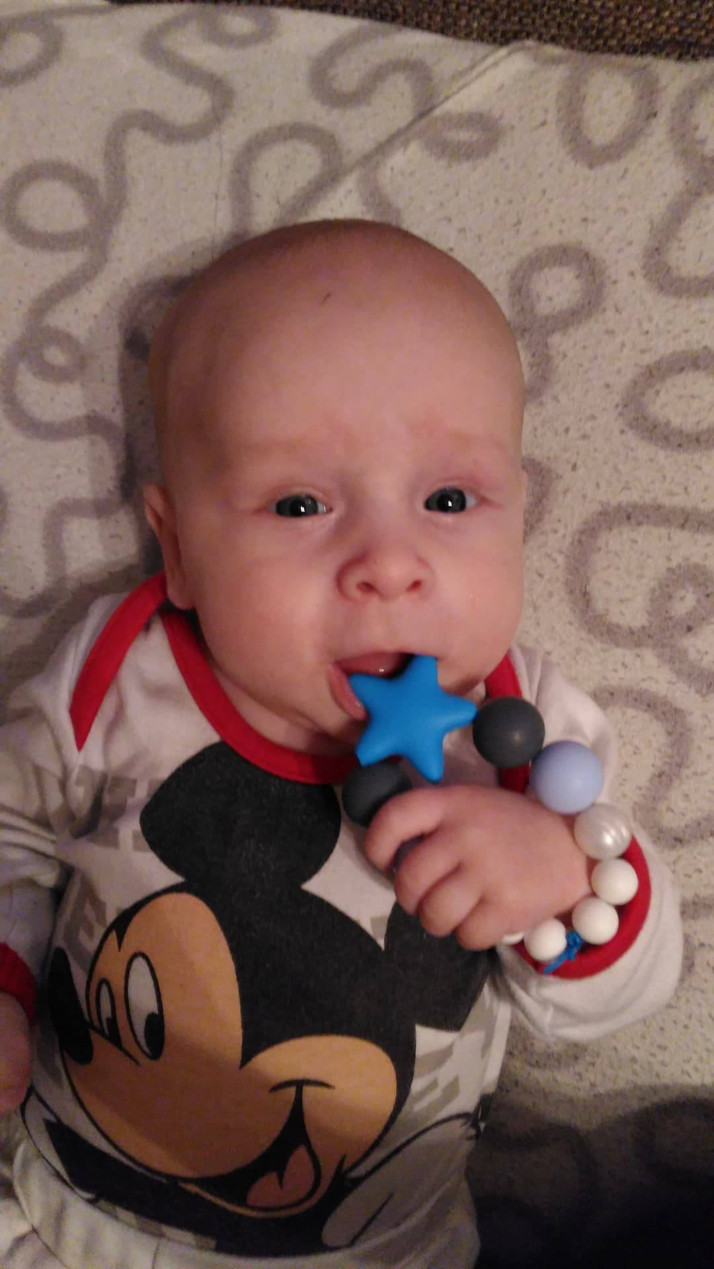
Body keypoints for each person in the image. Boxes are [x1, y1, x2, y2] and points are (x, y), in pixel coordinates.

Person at [0, 220, 681, 1269]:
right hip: (69, 1225)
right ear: (177, 546)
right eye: (301, 503)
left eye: (448, 499)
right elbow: (12, 829)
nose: (388, 564)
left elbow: (626, 995)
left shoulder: (526, 741)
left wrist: (562, 882)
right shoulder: (118, 676)